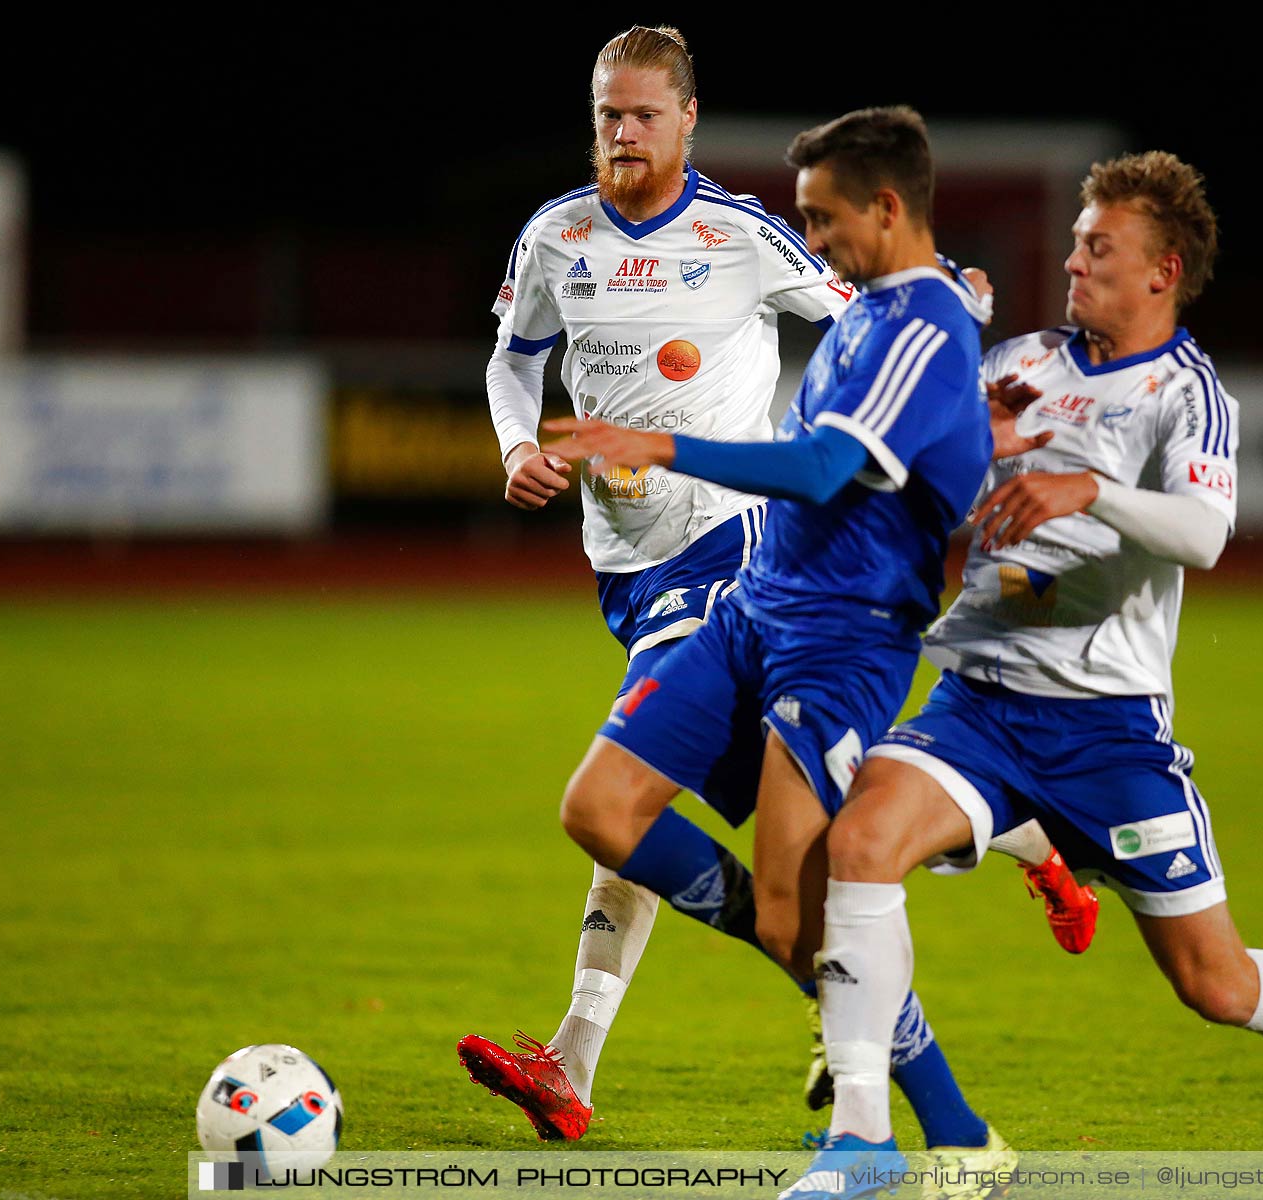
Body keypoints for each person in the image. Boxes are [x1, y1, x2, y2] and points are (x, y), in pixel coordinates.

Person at [793, 150, 1263, 1199]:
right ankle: (861, 1140)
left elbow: (1204, 534)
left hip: (1109, 736)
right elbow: (921, 470)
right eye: (1077, 241)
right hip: (980, 706)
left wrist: (1091, 491)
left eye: (1097, 247)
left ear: (1162, 271)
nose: (1072, 260)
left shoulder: (1187, 395)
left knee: (1218, 985)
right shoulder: (1024, 361)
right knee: (858, 841)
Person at [465, 25, 1089, 1152]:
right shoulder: (555, 236)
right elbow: (515, 360)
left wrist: (958, 307)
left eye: (643, 113)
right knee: (747, 821)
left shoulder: (746, 238)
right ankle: (1020, 835)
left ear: (687, 120)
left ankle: (582, 1055)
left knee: (631, 806)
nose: (621, 131)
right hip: (623, 563)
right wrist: (520, 446)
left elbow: (872, 324)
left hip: (731, 558)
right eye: (607, 111)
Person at [542, 106, 1019, 1194]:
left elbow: (818, 471)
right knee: (600, 811)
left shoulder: (924, 328)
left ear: (887, 209)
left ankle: (914, 1137)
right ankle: (924, 1102)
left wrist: (655, 440)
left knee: (786, 916)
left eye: (826, 218)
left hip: (841, 642)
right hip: (754, 603)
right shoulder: (880, 309)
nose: (815, 239)